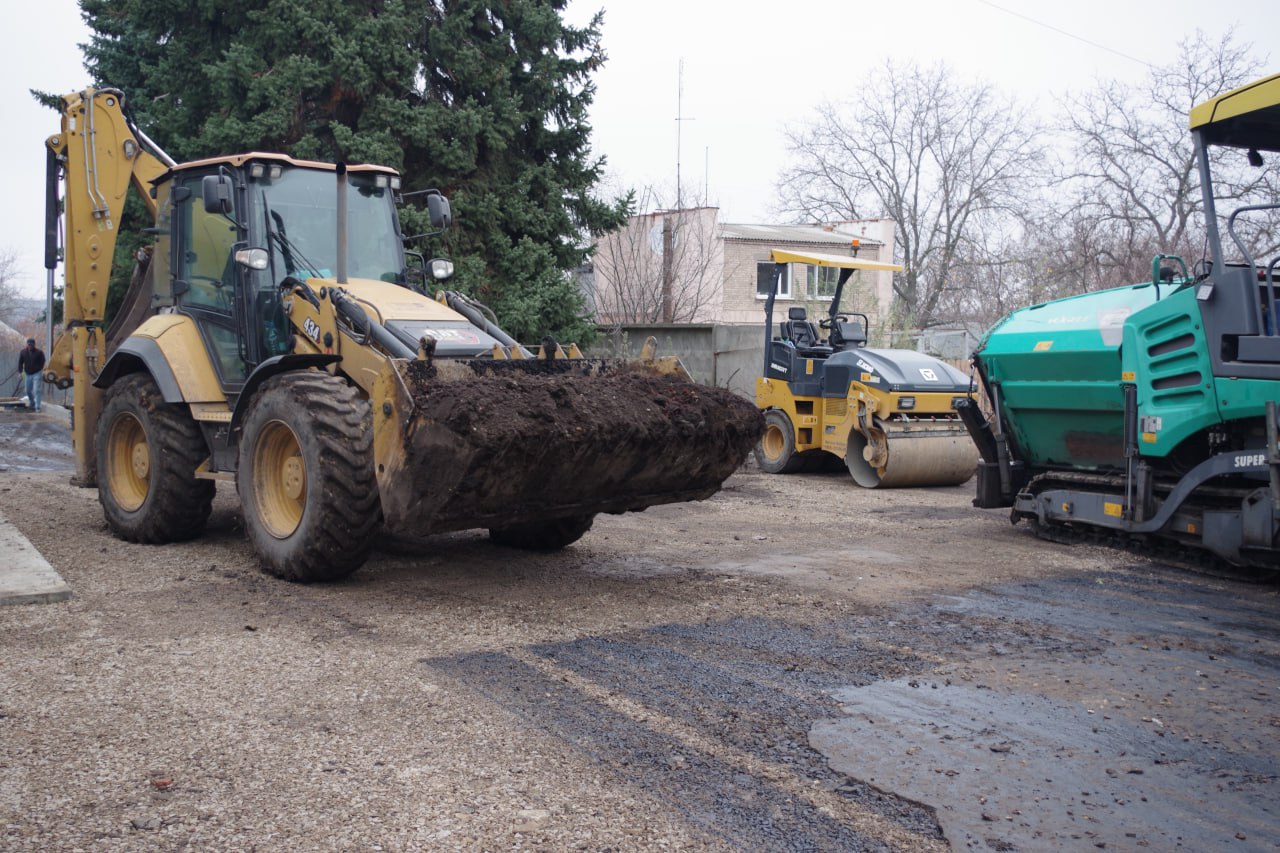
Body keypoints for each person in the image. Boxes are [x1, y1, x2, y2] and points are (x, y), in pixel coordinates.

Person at [17, 338, 45, 413]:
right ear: (27, 344)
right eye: (29, 345)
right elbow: (20, 362)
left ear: (34, 345)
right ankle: (32, 402)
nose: (30, 346)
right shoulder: (23, 352)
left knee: (37, 390)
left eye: (31, 345)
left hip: (37, 373)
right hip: (28, 373)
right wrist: (20, 372)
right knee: (28, 390)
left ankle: (37, 407)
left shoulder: (39, 352)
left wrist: (39, 368)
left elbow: (43, 361)